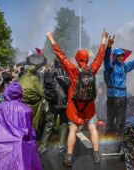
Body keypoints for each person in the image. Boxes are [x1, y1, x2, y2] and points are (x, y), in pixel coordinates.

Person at [46, 29, 108, 166]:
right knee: (92, 128)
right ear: (87, 59)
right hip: (89, 106)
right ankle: (96, 155)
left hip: (74, 106)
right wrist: (103, 40)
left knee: (73, 130)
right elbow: (100, 56)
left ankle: (68, 157)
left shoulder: (72, 70)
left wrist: (51, 39)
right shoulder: (93, 68)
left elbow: (60, 55)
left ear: (77, 58)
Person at [39, 58, 70, 153]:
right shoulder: (67, 73)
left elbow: (44, 86)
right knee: (64, 124)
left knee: (49, 124)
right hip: (64, 103)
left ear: (55, 63)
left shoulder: (49, 72)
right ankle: (61, 147)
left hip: (53, 102)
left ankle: (43, 147)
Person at [18, 65, 45, 133]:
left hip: (21, 100)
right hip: (32, 102)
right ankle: (32, 130)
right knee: (34, 117)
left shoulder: (22, 77)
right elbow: (41, 91)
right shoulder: (34, 78)